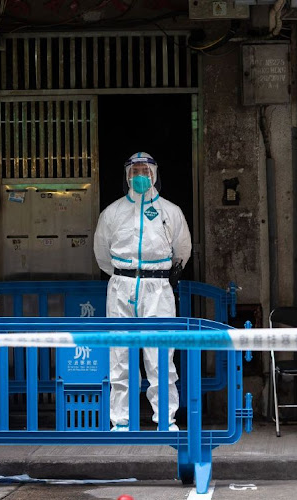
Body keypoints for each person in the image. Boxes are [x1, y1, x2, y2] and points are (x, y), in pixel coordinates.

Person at [93, 152, 192, 431]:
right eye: (135, 170)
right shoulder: (112, 213)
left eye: (145, 170)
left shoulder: (170, 212)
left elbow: (182, 251)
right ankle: (121, 420)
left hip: (158, 288)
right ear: (127, 176)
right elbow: (101, 254)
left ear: (155, 174)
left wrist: (157, 276)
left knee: (161, 353)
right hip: (122, 286)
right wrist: (125, 275)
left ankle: (166, 418)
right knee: (119, 354)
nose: (140, 176)